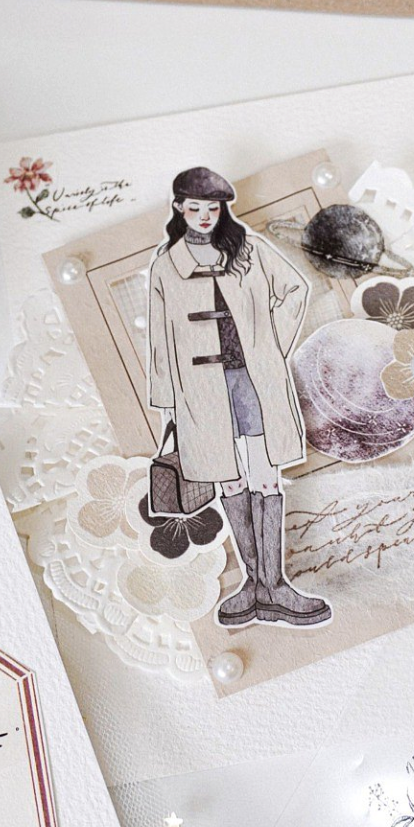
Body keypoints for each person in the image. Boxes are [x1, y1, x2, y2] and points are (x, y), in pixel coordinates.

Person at [148, 166, 331, 629]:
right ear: (178, 207)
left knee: (265, 476)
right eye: (195, 207)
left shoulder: (248, 249)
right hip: (200, 390)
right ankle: (253, 585)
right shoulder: (166, 265)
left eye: (212, 208)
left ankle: (276, 586)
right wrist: (168, 399)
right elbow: (159, 338)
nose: (204, 216)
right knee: (228, 480)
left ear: (222, 209)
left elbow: (295, 289)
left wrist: (270, 345)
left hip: (253, 380)